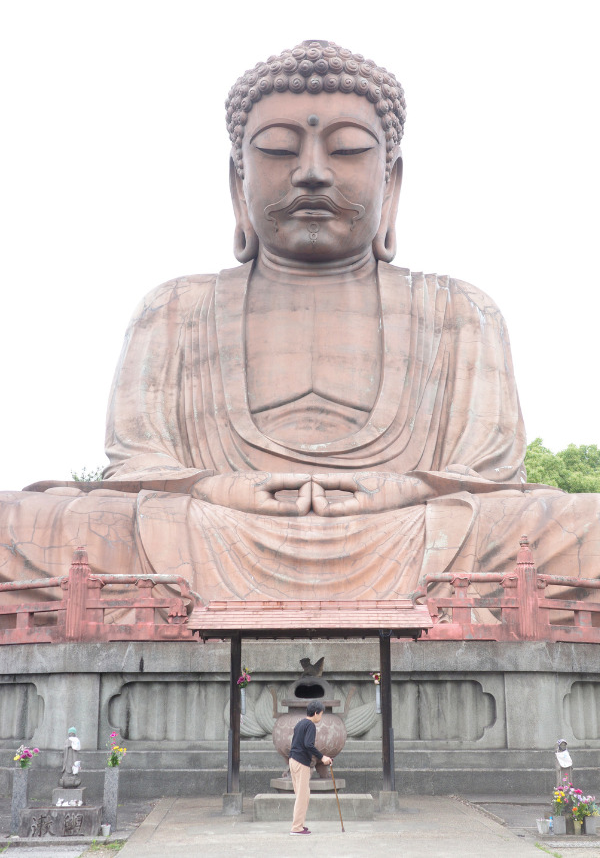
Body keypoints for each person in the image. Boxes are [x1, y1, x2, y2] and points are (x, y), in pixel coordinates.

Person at [1, 39, 600, 604]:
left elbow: (487, 476)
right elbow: (139, 468)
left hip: (405, 527)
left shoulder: (461, 310)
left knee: (580, 526)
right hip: (214, 526)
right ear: (239, 181)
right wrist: (219, 488)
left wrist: (405, 488)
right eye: (279, 150)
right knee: (21, 523)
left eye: (347, 151)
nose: (312, 172)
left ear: (391, 183)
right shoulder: (175, 308)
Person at [288, 699, 333, 835]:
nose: (321, 717)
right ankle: (296, 828)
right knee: (302, 796)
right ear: (315, 713)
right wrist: (322, 757)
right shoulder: (310, 725)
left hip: (293, 760)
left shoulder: (300, 724)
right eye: (321, 714)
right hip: (301, 762)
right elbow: (308, 744)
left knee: (303, 794)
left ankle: (300, 825)